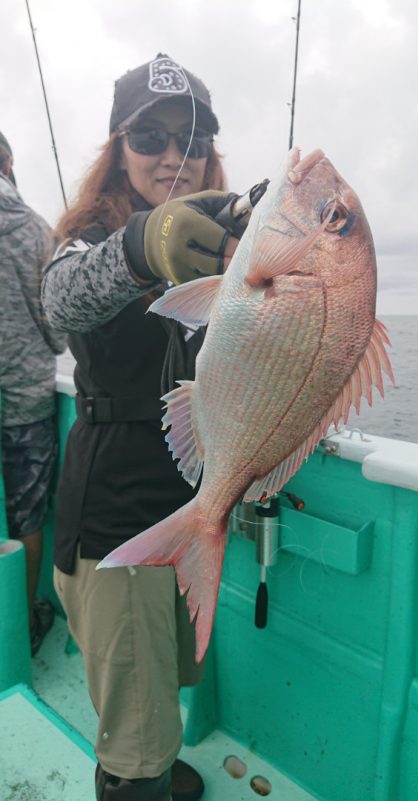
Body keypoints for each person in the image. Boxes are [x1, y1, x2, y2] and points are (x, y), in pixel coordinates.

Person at [41, 54, 240, 801]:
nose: (171, 156)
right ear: (118, 150)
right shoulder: (89, 235)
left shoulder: (229, 234)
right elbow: (61, 301)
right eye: (148, 137)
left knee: (162, 679)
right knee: (133, 735)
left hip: (190, 513)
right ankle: (134, 780)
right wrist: (140, 247)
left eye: (189, 138)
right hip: (117, 522)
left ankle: (151, 763)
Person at [0, 131, 66, 656]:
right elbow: (58, 330)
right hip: (24, 399)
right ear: (9, 163)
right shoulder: (33, 229)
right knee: (27, 517)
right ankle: (23, 626)